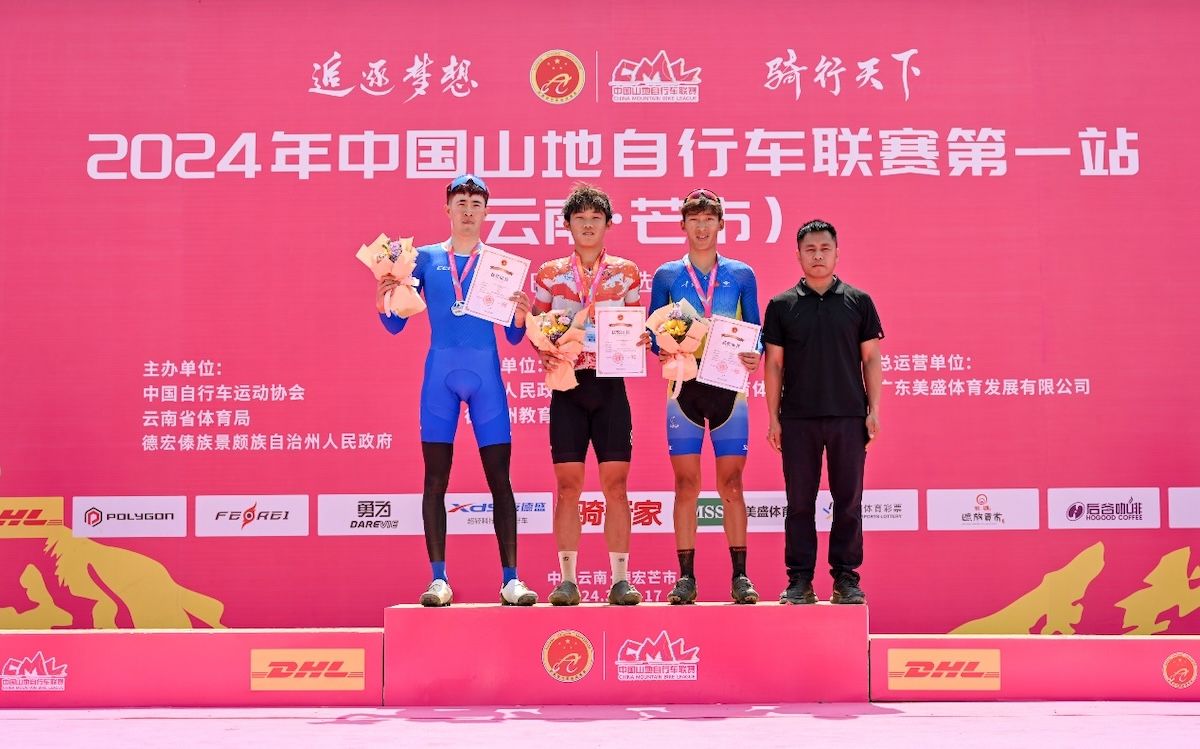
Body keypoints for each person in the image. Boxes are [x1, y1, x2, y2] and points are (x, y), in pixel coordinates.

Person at [374, 174, 538, 607]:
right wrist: (383, 301)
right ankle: (438, 580)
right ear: (447, 209)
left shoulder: (500, 264)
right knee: (435, 479)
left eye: (476, 204)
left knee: (500, 479)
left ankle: (511, 581)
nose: (468, 211)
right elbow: (395, 325)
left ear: (486, 212)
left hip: (487, 380)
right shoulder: (425, 259)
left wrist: (521, 315)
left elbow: (514, 338)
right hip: (439, 379)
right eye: (461, 203)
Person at [533, 183, 646, 606]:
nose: (587, 225)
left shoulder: (626, 272)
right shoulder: (549, 273)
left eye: (595, 218)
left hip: (610, 386)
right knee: (568, 487)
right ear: (567, 224)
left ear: (608, 224)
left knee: (616, 487)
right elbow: (538, 327)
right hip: (568, 386)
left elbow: (635, 324)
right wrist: (543, 349)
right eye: (579, 218)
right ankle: (568, 581)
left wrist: (641, 339)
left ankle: (620, 581)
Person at [649, 188, 762, 605]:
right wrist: (659, 346)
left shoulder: (741, 274)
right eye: (694, 219)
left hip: (729, 387)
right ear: (683, 225)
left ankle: (740, 577)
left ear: (720, 224)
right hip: (684, 387)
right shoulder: (666, 275)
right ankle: (686, 579)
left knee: (732, 483)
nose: (701, 227)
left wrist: (755, 353)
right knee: (685, 484)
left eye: (709, 219)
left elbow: (756, 329)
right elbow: (653, 331)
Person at [761, 219, 883, 606]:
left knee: (848, 501)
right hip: (798, 418)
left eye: (824, 248)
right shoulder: (781, 305)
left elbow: (871, 358)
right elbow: (774, 365)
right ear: (798, 255)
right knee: (799, 502)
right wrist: (773, 417)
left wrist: (873, 410)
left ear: (837, 253)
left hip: (849, 415)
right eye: (810, 249)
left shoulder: (858, 301)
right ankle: (800, 580)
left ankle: (846, 578)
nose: (817, 255)